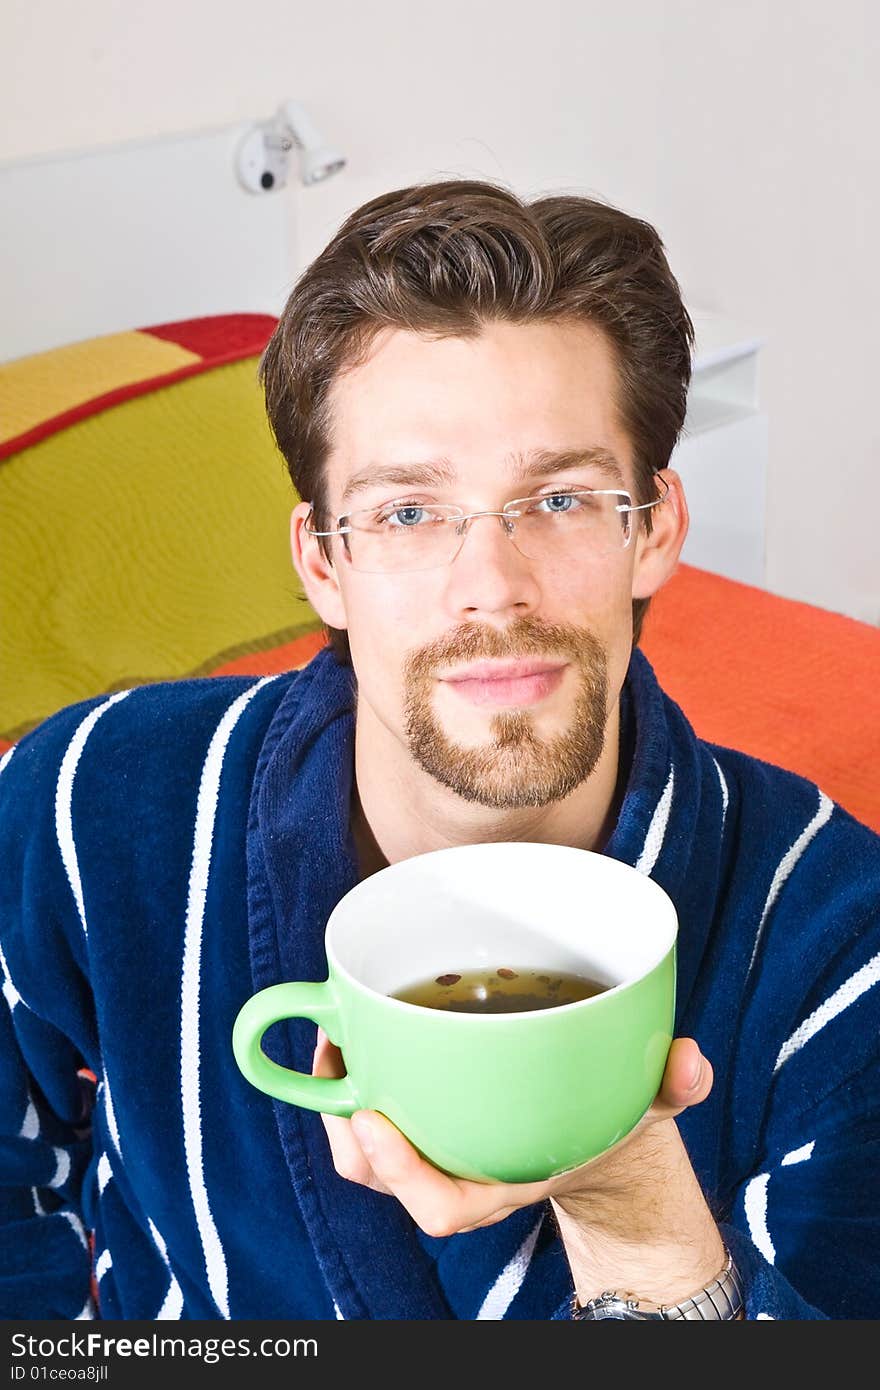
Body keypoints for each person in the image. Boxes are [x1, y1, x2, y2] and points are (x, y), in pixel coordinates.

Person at [2, 179, 878, 1322]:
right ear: (323, 562)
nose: (491, 589)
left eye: (559, 498)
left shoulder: (840, 946)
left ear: (654, 527)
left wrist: (639, 1218)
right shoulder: (89, 803)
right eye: (407, 513)